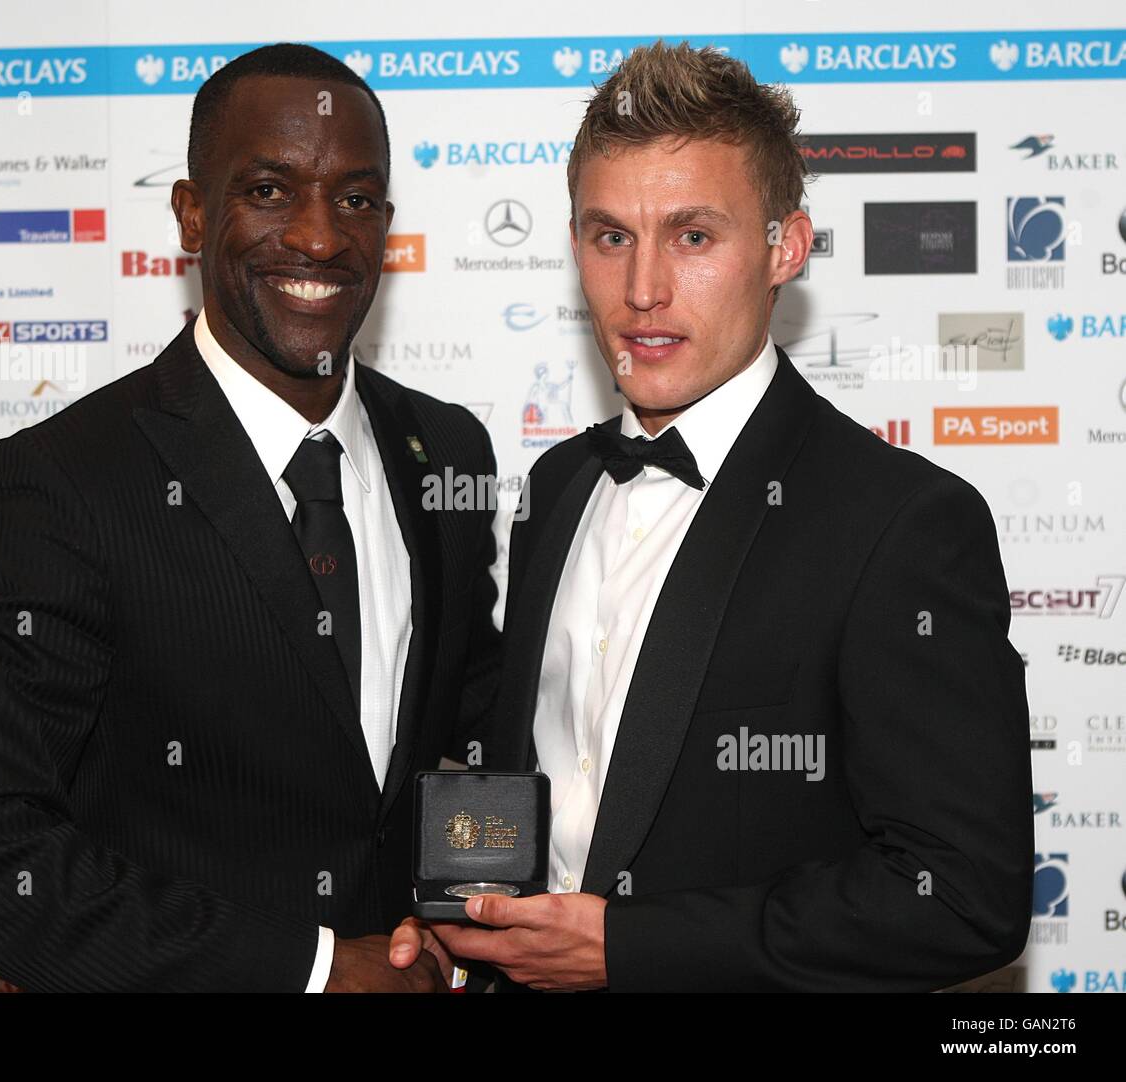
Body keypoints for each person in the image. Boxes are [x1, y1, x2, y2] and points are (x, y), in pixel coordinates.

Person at [390, 40, 1031, 992]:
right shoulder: (560, 489)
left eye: (693, 237)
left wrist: (627, 950)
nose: (643, 289)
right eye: (612, 236)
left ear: (785, 247)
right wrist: (470, 923)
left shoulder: (901, 523)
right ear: (575, 246)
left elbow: (962, 897)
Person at [0, 43, 500, 992]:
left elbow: (467, 743)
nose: (318, 238)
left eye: (355, 198)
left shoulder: (447, 452)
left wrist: (476, 927)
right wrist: (312, 971)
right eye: (268, 191)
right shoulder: (64, 482)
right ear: (190, 212)